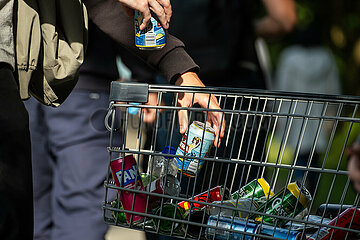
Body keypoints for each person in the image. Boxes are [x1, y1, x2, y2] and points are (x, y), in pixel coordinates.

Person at [0, 0, 224, 239]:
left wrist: (179, 68)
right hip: (76, 86)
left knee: (29, 209)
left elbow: (101, 5)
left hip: (26, 84)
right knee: (78, 206)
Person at [153, 0, 297, 195]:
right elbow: (284, 19)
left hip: (175, 78)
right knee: (239, 196)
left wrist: (143, 78)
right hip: (239, 87)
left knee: (172, 194)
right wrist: (247, 29)